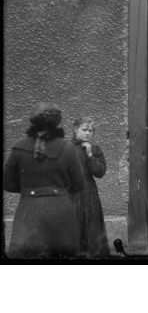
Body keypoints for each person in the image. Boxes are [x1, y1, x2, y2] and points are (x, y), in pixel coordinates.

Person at [3, 103, 85, 258]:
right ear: (57, 122)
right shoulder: (67, 148)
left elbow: (7, 183)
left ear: (33, 122)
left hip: (29, 212)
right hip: (61, 212)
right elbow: (79, 183)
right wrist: (59, 190)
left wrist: (29, 189)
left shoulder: (18, 147)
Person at [71, 116, 110, 258]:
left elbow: (100, 172)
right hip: (72, 193)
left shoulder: (94, 149)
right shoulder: (66, 148)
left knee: (92, 227)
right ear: (75, 129)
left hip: (90, 192)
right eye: (84, 130)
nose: (88, 133)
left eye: (91, 130)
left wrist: (90, 155)